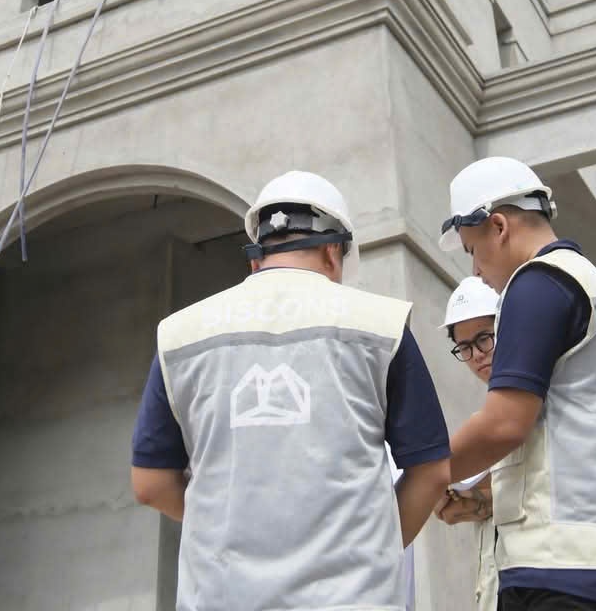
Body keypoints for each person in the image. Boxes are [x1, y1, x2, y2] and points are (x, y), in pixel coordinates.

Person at [131, 171, 452, 611]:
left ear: (255, 257)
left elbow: (149, 484)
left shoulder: (180, 336)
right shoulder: (381, 326)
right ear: (333, 250)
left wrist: (233, 523)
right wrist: (369, 549)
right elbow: (432, 473)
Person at [438, 157, 596, 611]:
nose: (477, 273)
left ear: (498, 227)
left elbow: (504, 424)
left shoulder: (537, 283)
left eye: (471, 250)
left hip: (562, 578)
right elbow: (580, 443)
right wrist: (485, 502)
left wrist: (421, 477)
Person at [433, 277, 502, 611]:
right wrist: (473, 503)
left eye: (484, 338)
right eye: (464, 347)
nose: (476, 355)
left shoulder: (551, 397)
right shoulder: (489, 413)